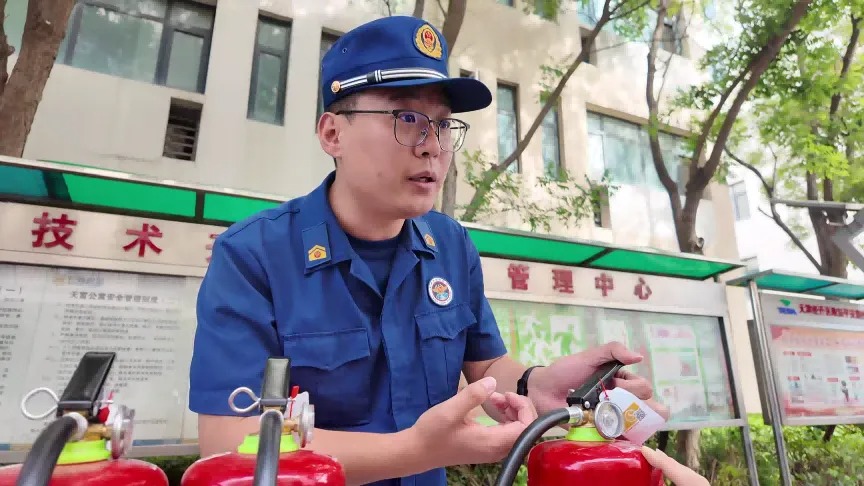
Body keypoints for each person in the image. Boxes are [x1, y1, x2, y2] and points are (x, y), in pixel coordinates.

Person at [189, 14, 682, 486]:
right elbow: (229, 444)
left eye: (443, 125)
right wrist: (418, 451)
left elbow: (485, 368)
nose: (432, 146)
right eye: (407, 118)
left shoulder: (449, 244)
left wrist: (538, 383)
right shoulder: (254, 255)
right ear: (332, 133)